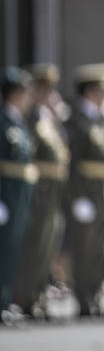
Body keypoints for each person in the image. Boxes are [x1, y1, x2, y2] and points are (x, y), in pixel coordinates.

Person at [15, 63, 71, 317]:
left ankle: (39, 295)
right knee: (35, 248)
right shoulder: (31, 119)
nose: (50, 95)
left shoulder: (49, 119)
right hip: (40, 192)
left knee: (48, 247)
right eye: (45, 90)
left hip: (53, 193)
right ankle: (27, 297)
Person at [65, 63, 104, 317]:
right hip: (87, 193)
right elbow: (73, 162)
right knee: (85, 250)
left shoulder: (100, 120)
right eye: (102, 90)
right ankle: (84, 298)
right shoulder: (76, 121)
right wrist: (78, 197)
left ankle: (95, 295)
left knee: (102, 249)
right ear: (89, 90)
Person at [0, 67, 36, 314]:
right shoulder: (3, 123)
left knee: (14, 250)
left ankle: (6, 301)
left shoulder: (18, 123)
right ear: (14, 94)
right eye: (24, 93)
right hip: (6, 196)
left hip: (20, 197)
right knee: (4, 250)